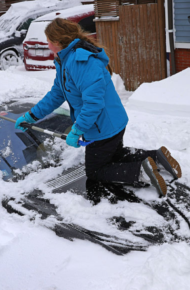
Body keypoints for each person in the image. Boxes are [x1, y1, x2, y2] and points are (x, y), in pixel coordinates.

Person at [15, 18, 181, 202]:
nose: (47, 44)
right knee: (115, 155)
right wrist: (31, 116)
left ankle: (141, 172)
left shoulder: (80, 62)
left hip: (102, 127)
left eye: (48, 41)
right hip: (110, 123)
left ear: (56, 42)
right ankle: (156, 157)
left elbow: (93, 104)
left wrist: (77, 129)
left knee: (95, 171)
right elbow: (56, 95)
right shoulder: (66, 61)